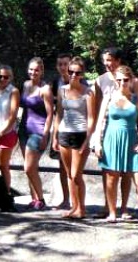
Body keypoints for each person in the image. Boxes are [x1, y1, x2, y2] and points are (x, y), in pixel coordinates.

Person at [95, 65, 138, 226]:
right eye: (119, 80)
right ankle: (112, 212)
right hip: (111, 139)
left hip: (131, 140)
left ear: (131, 80)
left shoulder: (136, 99)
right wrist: (97, 142)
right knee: (111, 178)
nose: (123, 83)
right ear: (115, 80)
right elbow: (99, 120)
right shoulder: (109, 97)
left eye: (126, 80)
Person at [93, 46, 138, 219]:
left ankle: (124, 207)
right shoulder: (100, 80)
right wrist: (96, 138)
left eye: (110, 60)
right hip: (108, 128)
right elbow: (97, 107)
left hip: (127, 127)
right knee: (109, 172)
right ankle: (108, 206)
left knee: (126, 171)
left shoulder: (130, 79)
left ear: (118, 61)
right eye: (105, 60)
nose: (107, 64)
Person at [52, 56, 97, 219]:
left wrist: (88, 139)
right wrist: (54, 137)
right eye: (70, 72)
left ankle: (81, 208)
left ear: (82, 74)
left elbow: (92, 117)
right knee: (69, 174)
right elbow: (59, 115)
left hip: (80, 134)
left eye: (77, 73)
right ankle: (74, 206)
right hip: (64, 132)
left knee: (76, 173)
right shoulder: (62, 89)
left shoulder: (88, 92)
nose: (73, 75)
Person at [20, 58, 54, 210]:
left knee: (28, 167)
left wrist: (46, 134)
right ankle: (34, 199)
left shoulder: (45, 89)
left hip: (38, 131)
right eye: (31, 69)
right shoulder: (26, 85)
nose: (33, 72)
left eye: (36, 70)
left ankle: (41, 199)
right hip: (24, 130)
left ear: (41, 71)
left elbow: (50, 114)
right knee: (31, 167)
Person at [49, 53, 73, 210]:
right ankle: (66, 199)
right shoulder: (55, 83)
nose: (63, 67)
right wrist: (54, 135)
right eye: (60, 64)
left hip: (77, 128)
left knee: (74, 167)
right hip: (62, 126)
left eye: (65, 64)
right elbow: (56, 111)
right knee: (62, 166)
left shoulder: (79, 81)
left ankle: (76, 200)